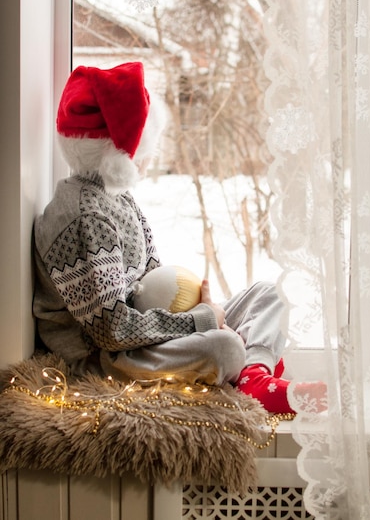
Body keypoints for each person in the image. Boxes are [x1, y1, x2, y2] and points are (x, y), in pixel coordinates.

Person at [33, 62, 324, 415]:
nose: (152, 156)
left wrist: (200, 306)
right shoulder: (83, 219)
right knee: (223, 349)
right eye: (146, 146)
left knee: (269, 294)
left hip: (138, 333)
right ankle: (247, 366)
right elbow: (111, 330)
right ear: (121, 152)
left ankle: (254, 376)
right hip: (104, 359)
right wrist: (201, 320)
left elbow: (152, 275)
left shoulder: (118, 198)